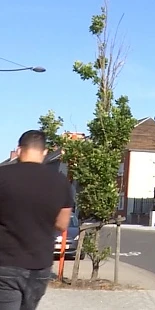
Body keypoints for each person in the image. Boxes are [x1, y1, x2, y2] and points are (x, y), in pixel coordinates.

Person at [0, 130, 73, 310]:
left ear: (18, 150)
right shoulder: (61, 182)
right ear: (45, 152)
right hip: (39, 264)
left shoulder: (2, 175)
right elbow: (62, 224)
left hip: (5, 262)